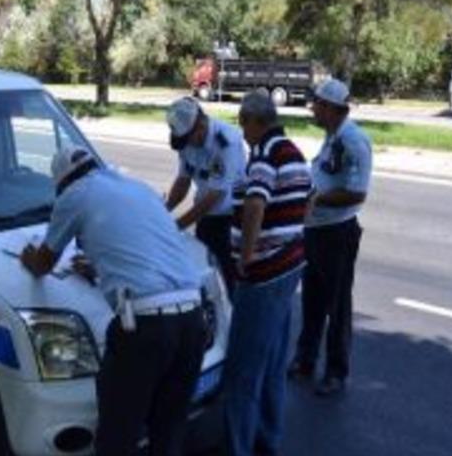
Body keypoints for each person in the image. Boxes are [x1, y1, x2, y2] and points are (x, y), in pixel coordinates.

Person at [20, 145, 206, 456]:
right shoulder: (137, 187)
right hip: (192, 321)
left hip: (146, 328)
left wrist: (29, 257)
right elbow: (145, 248)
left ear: (63, 183)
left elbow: (43, 264)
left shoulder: (73, 196)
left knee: (118, 433)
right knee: (168, 429)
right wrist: (101, 269)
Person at [221, 92, 311, 456]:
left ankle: (238, 447)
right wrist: (290, 234)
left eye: (243, 123)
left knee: (243, 372)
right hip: (289, 266)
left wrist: (245, 257)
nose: (242, 132)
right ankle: (267, 441)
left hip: (263, 275)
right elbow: (311, 199)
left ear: (257, 120)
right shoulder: (294, 153)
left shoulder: (265, 155)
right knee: (272, 365)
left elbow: (255, 203)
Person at [288, 79, 372, 397]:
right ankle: (305, 359)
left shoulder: (354, 140)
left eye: (317, 104)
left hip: (337, 233)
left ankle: (336, 371)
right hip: (316, 231)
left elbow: (356, 192)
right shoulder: (332, 136)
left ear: (331, 108)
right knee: (312, 300)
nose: (313, 109)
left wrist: (317, 200)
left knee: (336, 305)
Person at [165, 97, 246, 296]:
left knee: (227, 279)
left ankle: (231, 321)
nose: (187, 145)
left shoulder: (227, 142)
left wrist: (176, 226)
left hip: (231, 219)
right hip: (205, 217)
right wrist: (163, 212)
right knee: (206, 274)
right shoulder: (187, 140)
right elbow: (183, 181)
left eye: (188, 138)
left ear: (201, 124)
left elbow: (214, 197)